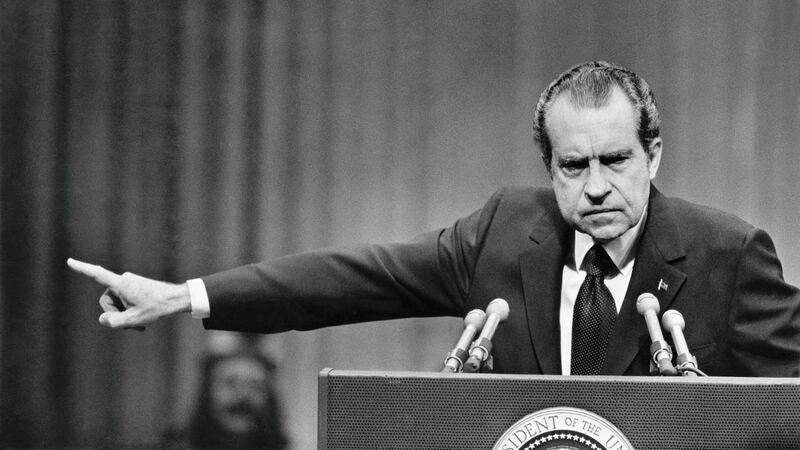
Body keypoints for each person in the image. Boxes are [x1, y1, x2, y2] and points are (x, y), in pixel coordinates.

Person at [68, 61, 800, 377]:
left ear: (654, 155)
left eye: (616, 160)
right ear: (548, 166)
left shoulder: (729, 254)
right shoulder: (505, 232)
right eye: (574, 166)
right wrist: (185, 296)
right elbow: (355, 280)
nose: (597, 187)